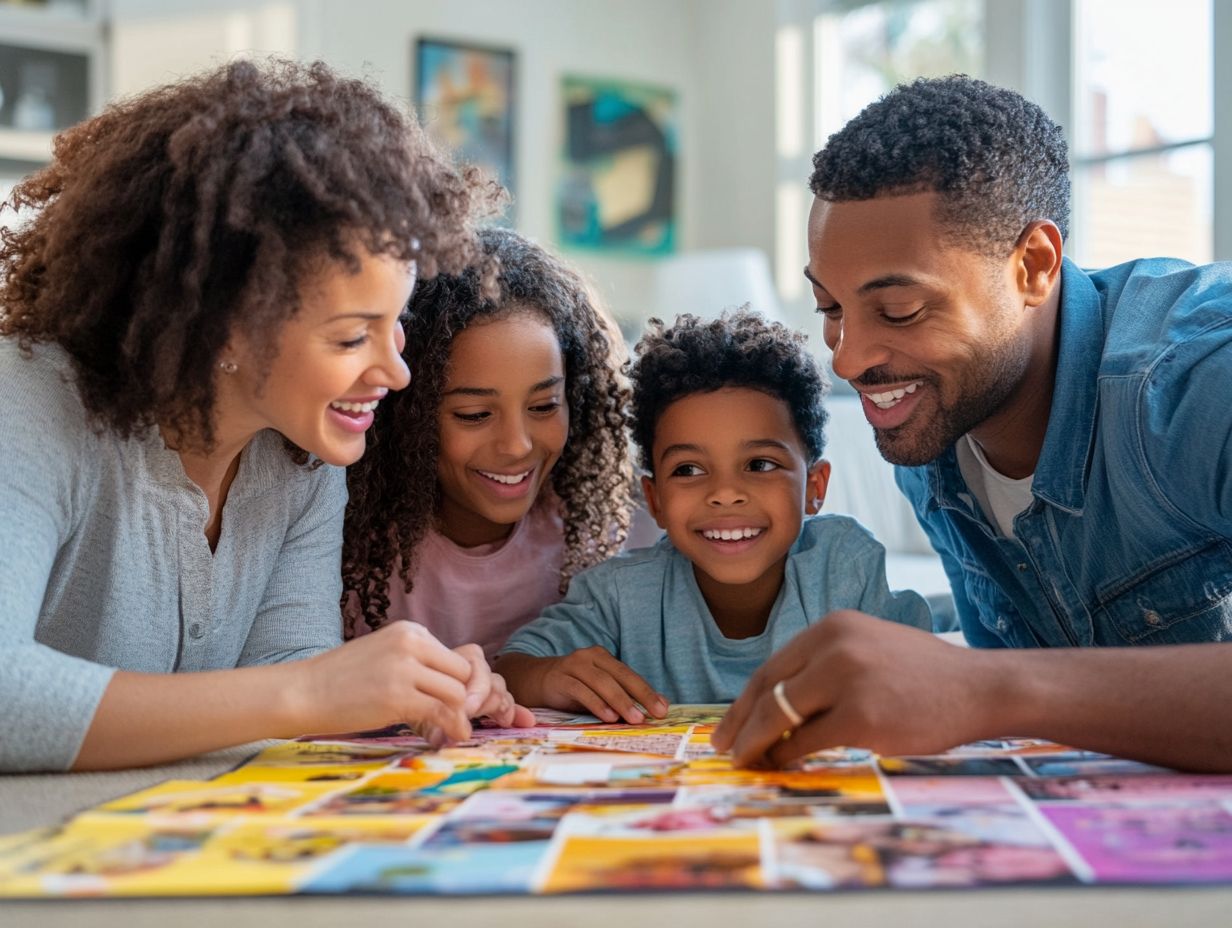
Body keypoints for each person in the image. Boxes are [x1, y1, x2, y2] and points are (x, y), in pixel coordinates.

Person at [0, 59, 531, 774]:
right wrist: (311, 690)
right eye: (350, 337)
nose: (396, 373)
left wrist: (407, 691)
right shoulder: (29, 402)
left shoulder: (302, 453)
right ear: (219, 325)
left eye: (394, 324)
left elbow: (284, 672)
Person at [712, 74, 1232, 773]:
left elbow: (997, 693)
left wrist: (986, 688)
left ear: (1034, 266)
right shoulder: (933, 438)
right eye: (830, 309)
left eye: (899, 311)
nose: (848, 360)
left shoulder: (1197, 380)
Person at [496, 310, 932, 722]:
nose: (725, 494)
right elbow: (513, 667)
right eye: (688, 470)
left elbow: (922, 668)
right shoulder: (619, 596)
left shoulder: (843, 567)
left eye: (759, 465)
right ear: (656, 500)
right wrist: (547, 677)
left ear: (814, 488)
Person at [342, 227, 632, 658]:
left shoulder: (601, 530)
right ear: (406, 417)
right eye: (474, 415)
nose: (516, 446)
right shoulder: (352, 553)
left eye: (544, 406)